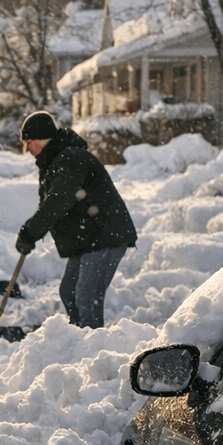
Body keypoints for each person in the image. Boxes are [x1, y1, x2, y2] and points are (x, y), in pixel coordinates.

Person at [15, 111, 137, 328]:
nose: (27, 150)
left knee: (86, 296)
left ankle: (92, 345)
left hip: (105, 235)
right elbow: (52, 204)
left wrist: (31, 231)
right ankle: (77, 337)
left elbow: (58, 202)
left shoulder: (70, 158)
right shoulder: (55, 160)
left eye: (28, 143)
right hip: (88, 237)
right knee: (69, 293)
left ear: (40, 140)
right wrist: (32, 232)